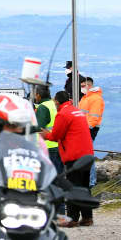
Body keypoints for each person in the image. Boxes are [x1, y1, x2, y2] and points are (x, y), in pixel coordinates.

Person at [42, 91, 95, 227]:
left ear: (58, 102)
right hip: (87, 153)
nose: (54, 104)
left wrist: (45, 135)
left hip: (74, 155)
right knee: (84, 187)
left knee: (73, 187)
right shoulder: (76, 111)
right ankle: (87, 217)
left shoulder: (63, 114)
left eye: (55, 102)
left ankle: (72, 218)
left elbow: (56, 135)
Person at [79, 77, 104, 187]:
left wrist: (85, 129)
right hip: (84, 129)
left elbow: (94, 118)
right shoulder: (86, 97)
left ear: (89, 85)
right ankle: (87, 180)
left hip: (89, 129)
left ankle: (91, 181)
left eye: (83, 86)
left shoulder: (95, 99)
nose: (81, 88)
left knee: (87, 154)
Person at [34, 85, 64, 175]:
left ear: (38, 95)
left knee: (48, 178)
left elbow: (39, 128)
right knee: (58, 176)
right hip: (59, 145)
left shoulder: (42, 107)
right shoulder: (54, 104)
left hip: (48, 147)